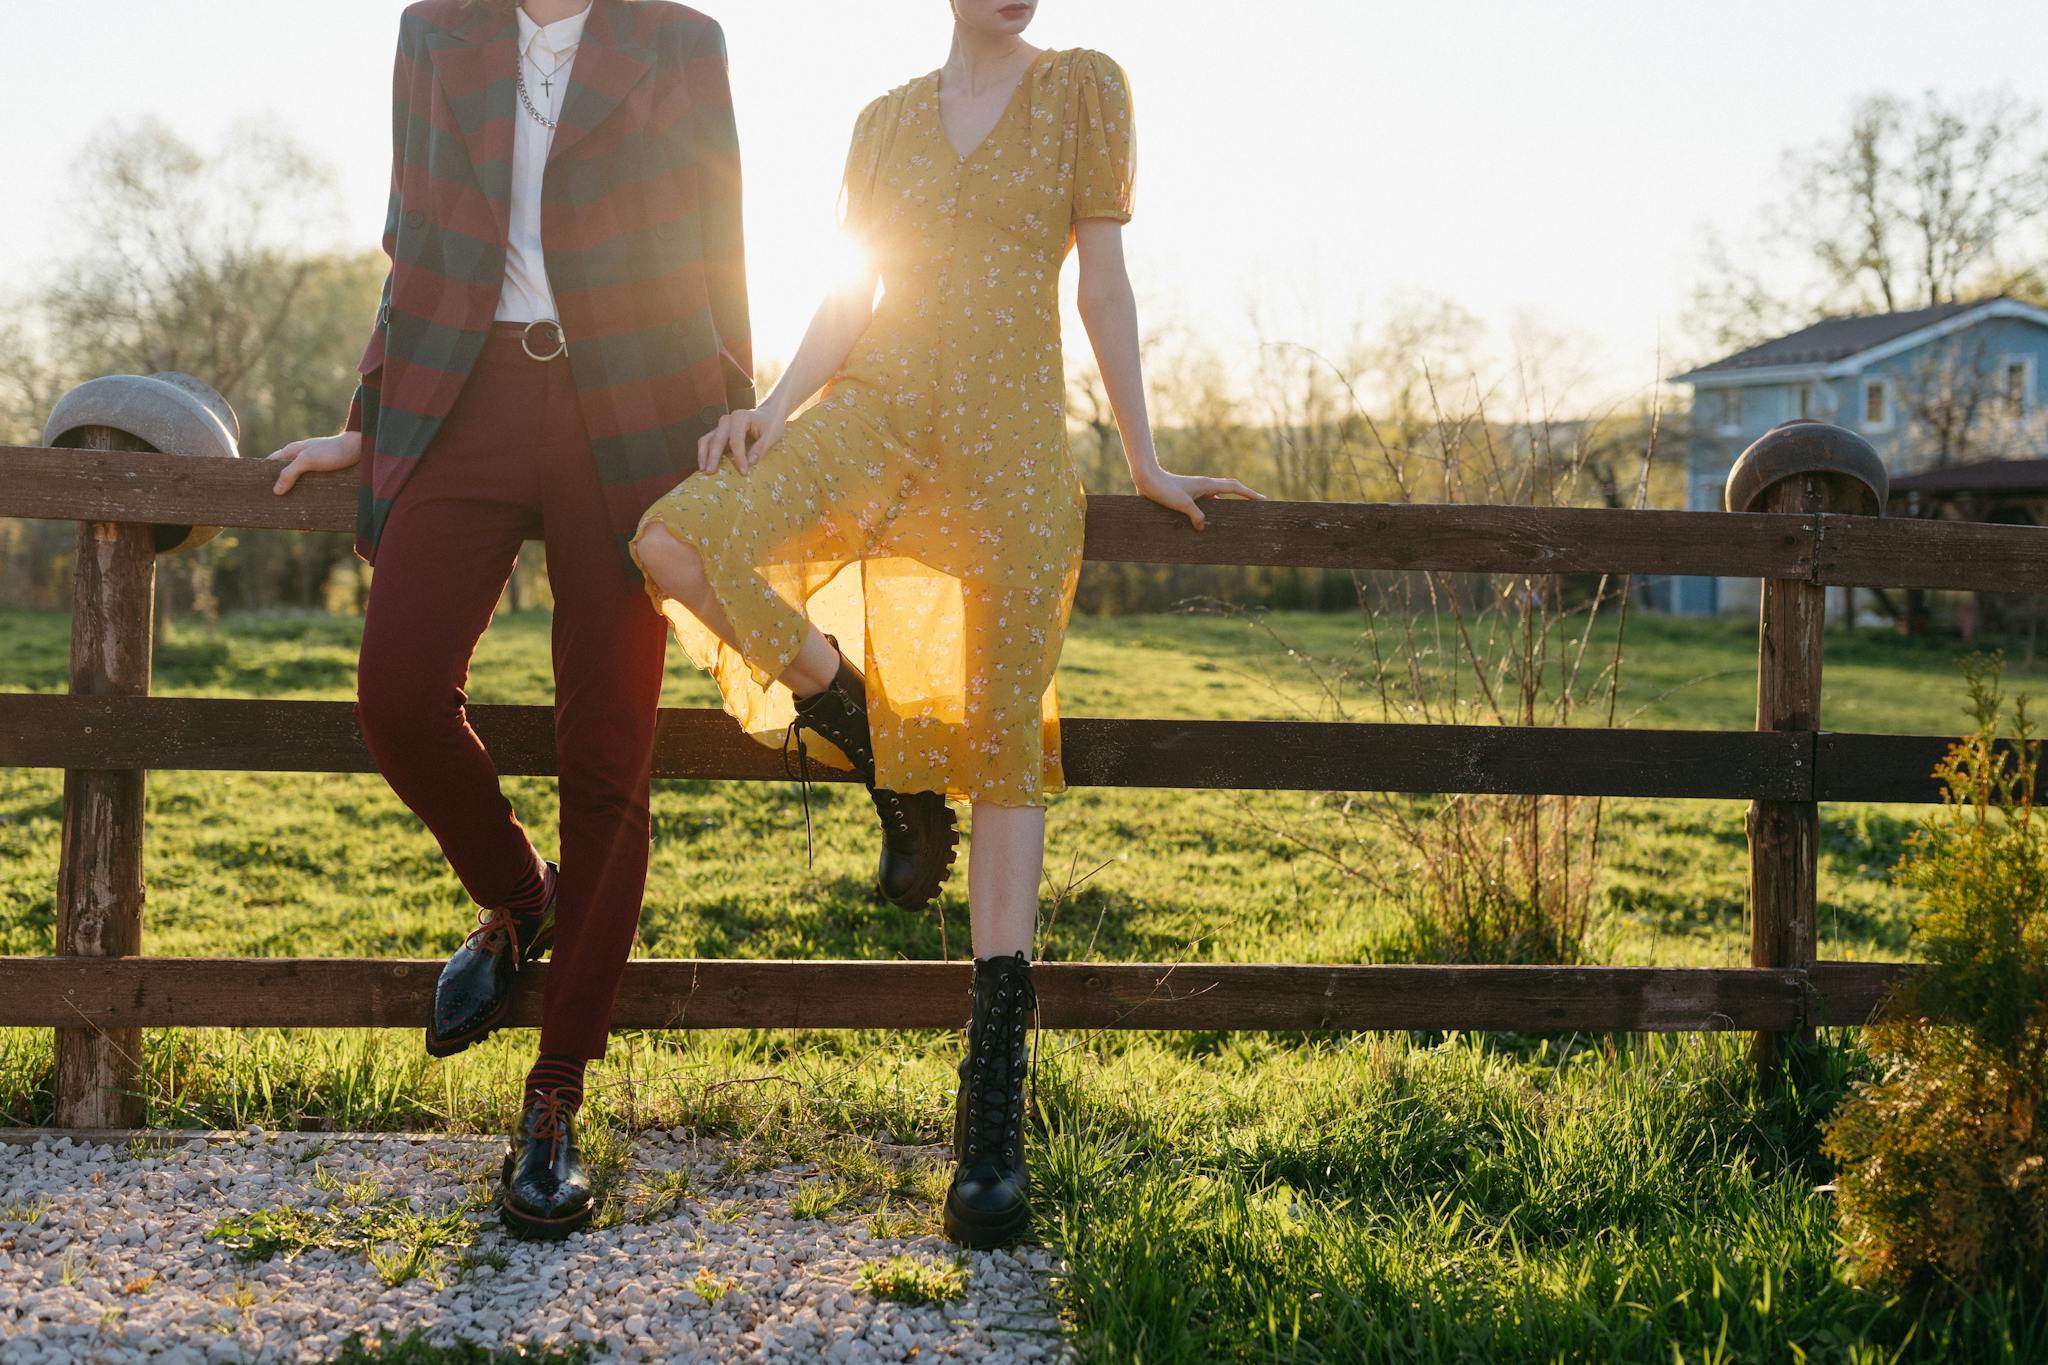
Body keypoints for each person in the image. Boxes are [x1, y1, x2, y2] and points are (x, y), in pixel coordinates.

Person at [629, 0, 1263, 1246]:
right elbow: (852, 289)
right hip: (876, 413)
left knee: (1002, 746)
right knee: (673, 536)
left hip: (1015, 449)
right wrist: (771, 404)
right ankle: (876, 747)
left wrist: (1140, 454)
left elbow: (1104, 285)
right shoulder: (880, 122)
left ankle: (989, 1120)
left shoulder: (1087, 87)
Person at [263, 0, 754, 1239]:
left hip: (636, 411)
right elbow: (411, 239)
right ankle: (516, 894)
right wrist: (368, 419)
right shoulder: (435, 30)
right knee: (398, 691)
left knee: (607, 764)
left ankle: (552, 1104)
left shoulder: (679, 40)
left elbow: (718, 241)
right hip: (463, 392)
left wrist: (733, 414)